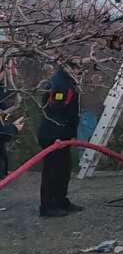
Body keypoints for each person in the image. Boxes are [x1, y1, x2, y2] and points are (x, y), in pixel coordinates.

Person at [37, 66, 82, 217]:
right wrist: (57, 135)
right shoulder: (59, 84)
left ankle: (60, 200)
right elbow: (55, 110)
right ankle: (47, 206)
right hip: (53, 135)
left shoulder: (68, 82)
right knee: (52, 170)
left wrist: (70, 134)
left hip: (63, 135)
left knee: (64, 169)